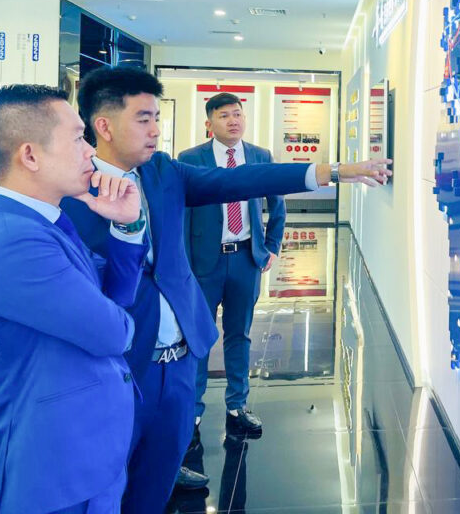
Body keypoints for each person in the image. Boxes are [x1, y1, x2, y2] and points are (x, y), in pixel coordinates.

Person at [61, 66, 391, 513]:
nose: (155, 129)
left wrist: (331, 171)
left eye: (156, 117)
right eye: (143, 118)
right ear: (103, 125)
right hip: (123, 362)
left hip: (180, 355)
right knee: (112, 480)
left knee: (160, 472)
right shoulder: (72, 192)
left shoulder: (163, 171)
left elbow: (242, 180)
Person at [0, 84, 148, 514]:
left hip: (86, 452)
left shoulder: (45, 224)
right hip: (57, 470)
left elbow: (115, 296)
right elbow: (112, 332)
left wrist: (127, 226)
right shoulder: (13, 242)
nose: (91, 151)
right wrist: (117, 318)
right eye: (78, 138)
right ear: (30, 155)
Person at [178, 94, 285, 461]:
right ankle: (192, 411)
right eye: (224, 115)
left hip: (245, 260)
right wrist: (183, 262)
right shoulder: (191, 159)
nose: (234, 120)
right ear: (210, 123)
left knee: (240, 334)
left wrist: (271, 245)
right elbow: (182, 214)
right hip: (204, 262)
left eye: (238, 114)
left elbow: (277, 203)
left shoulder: (260, 156)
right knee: (198, 336)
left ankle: (237, 406)